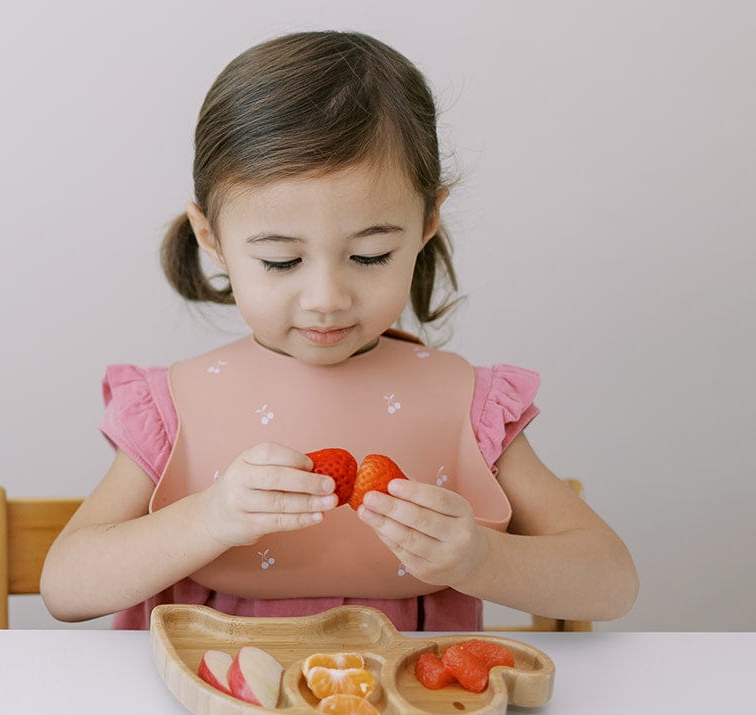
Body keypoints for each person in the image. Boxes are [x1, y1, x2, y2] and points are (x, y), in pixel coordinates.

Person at [40, 31, 637, 631]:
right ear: (212, 238)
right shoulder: (171, 409)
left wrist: (482, 558)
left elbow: (610, 585)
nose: (326, 300)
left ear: (428, 220)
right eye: (281, 262)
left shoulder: (472, 409)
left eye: (371, 255)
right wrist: (208, 519)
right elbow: (66, 587)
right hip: (207, 710)